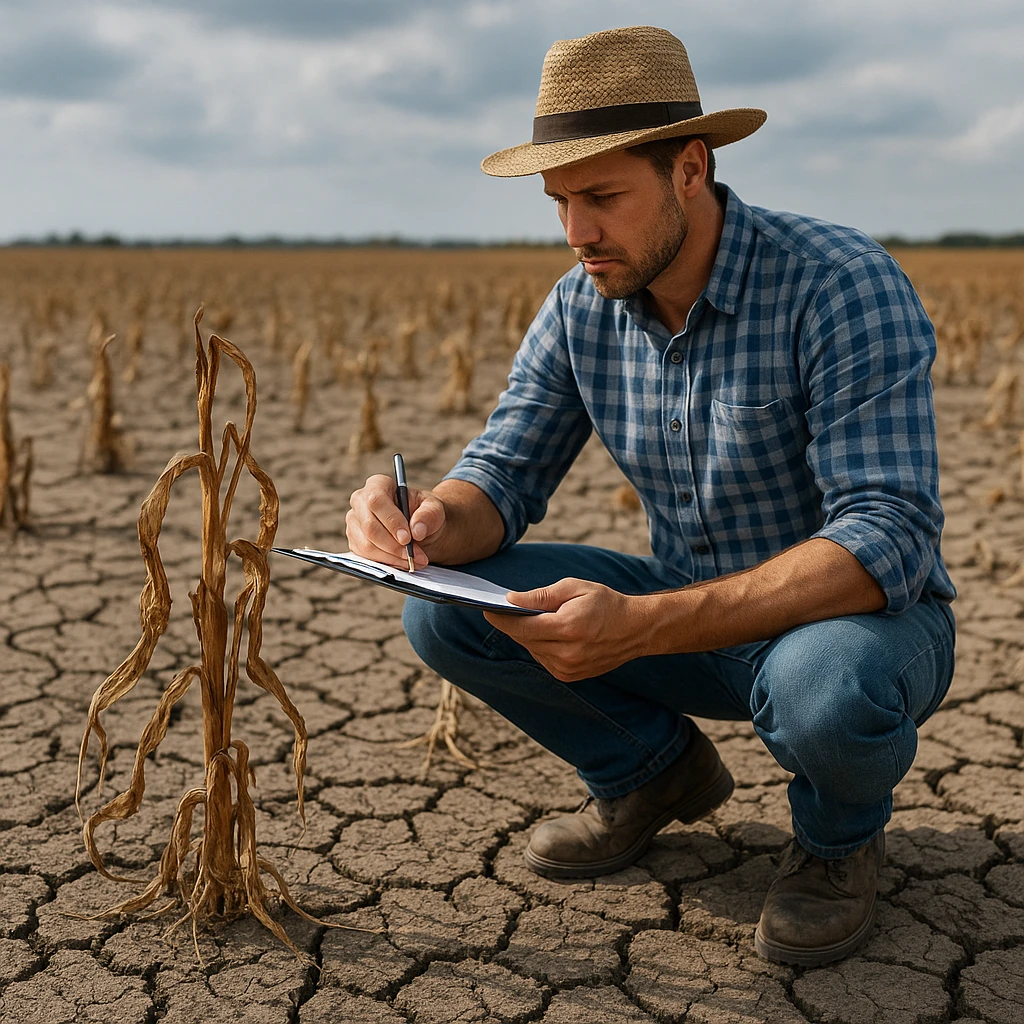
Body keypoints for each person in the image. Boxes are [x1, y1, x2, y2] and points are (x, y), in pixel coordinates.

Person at [344, 25, 956, 967]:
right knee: (448, 617)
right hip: (687, 622)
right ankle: (652, 775)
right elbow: (502, 477)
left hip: (857, 631)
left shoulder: (839, 282)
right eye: (559, 203)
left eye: (601, 197)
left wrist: (642, 625)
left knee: (821, 687)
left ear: (691, 169)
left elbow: (889, 537)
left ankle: (837, 844)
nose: (577, 231)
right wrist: (422, 522)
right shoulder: (581, 302)